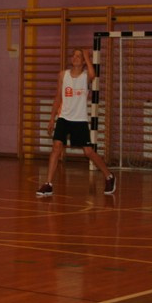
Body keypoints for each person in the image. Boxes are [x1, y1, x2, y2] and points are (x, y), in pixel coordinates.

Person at [36, 48, 116, 197]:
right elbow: (58, 97)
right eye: (74, 55)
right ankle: (48, 184)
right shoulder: (63, 75)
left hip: (79, 120)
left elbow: (93, 74)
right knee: (56, 147)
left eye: (79, 56)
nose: (75, 58)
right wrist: (52, 118)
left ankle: (109, 176)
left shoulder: (86, 77)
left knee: (88, 152)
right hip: (64, 118)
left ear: (83, 61)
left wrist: (86, 56)